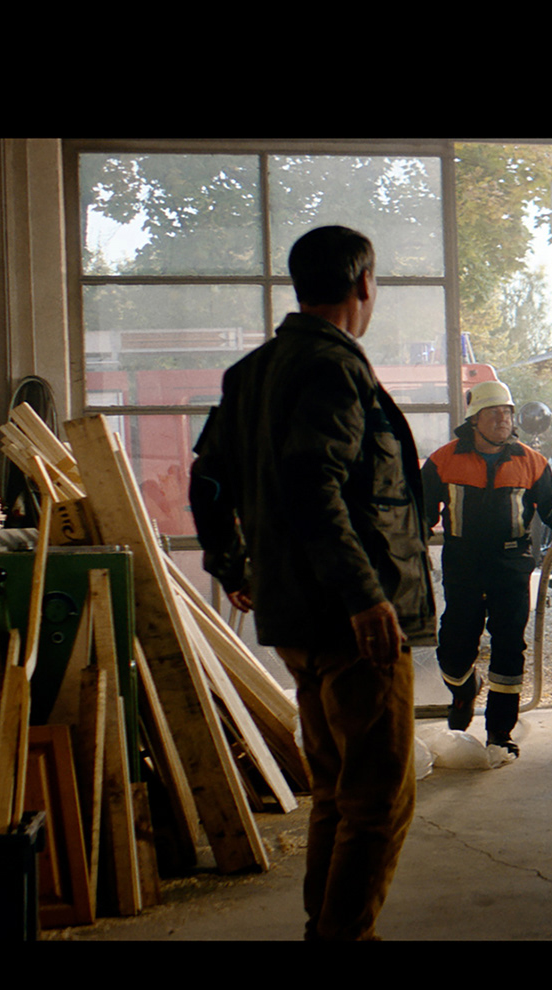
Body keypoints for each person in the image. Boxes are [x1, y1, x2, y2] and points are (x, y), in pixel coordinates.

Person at [190, 225, 434, 942]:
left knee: (335, 792)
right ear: (364, 282)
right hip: (351, 621)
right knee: (378, 799)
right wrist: (366, 597)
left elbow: (208, 483)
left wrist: (234, 566)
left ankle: (324, 931)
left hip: (297, 618)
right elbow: (312, 483)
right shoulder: (334, 368)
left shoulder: (253, 371)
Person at [422, 380, 552, 766]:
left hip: (511, 565)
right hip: (463, 565)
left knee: (509, 647)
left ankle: (500, 733)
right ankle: (464, 689)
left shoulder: (531, 461)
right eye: (494, 413)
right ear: (474, 420)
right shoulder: (443, 460)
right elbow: (421, 511)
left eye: (507, 412)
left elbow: (551, 503)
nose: (503, 419)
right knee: (453, 647)